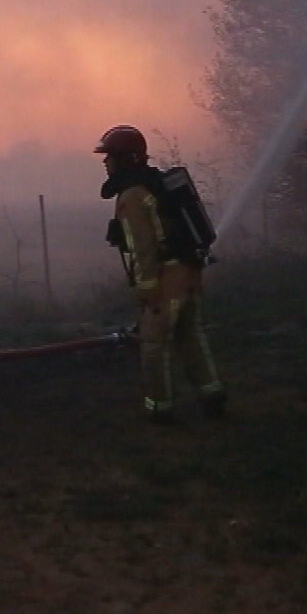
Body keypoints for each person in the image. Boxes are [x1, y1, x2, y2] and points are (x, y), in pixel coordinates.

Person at [96, 125, 227, 423]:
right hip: (189, 272)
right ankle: (212, 395)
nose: (105, 163)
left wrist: (146, 290)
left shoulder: (131, 195)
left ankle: (160, 409)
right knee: (191, 336)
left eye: (109, 157)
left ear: (124, 158)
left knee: (154, 346)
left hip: (166, 281)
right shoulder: (155, 184)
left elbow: (144, 249)